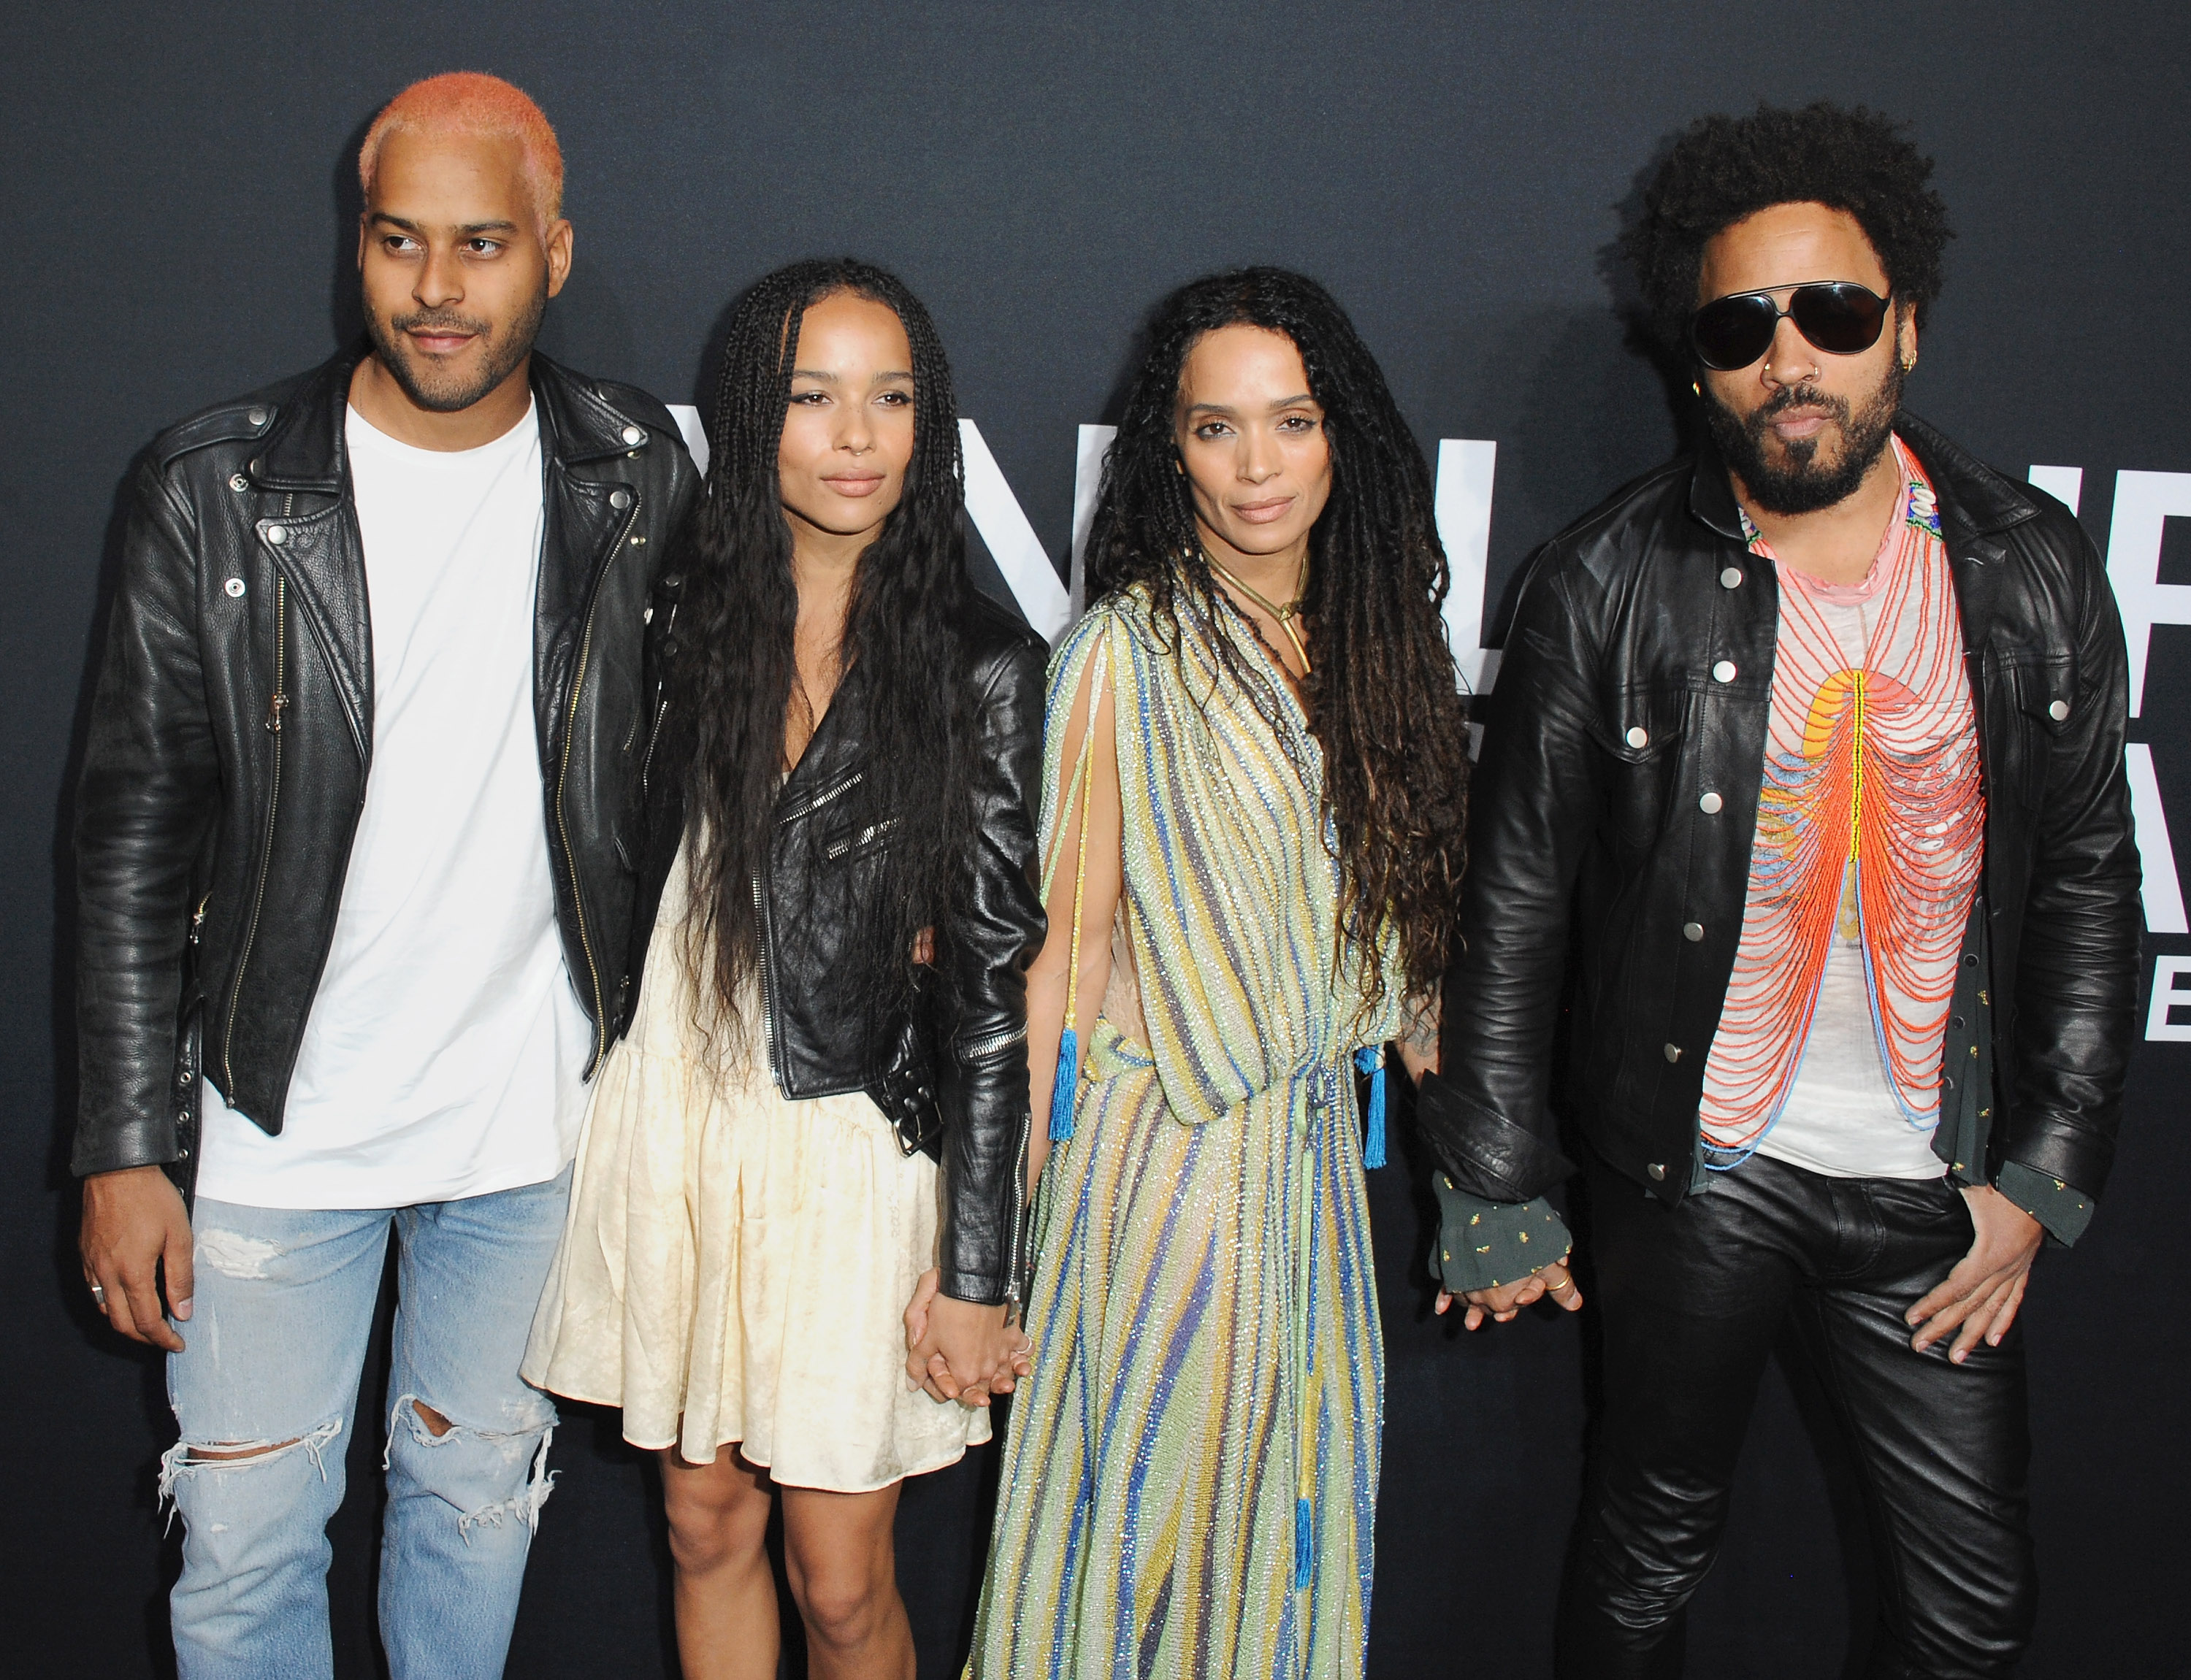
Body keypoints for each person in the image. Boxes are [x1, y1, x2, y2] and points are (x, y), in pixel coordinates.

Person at [1420, 102, 2141, 1678]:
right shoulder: (1601, 581)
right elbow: (1516, 906)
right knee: (1646, 1551)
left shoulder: (2032, 568)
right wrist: (1495, 1183)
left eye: (1834, 313)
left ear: (1909, 332)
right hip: (1695, 1173)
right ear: (1696, 361)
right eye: (1742, 326)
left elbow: (2091, 883)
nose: (1788, 358)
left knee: (1974, 1610)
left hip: (1936, 1190)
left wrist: (2044, 1176)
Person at [69, 73, 700, 1680]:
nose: (435, 288)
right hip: (279, 1119)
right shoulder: (212, 487)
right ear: (358, 244)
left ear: (555, 253)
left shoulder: (633, 477)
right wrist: (127, 1143)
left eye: (481, 244)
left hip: (526, 1125)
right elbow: (132, 838)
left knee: (472, 1512)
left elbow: (689, 785)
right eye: (399, 239)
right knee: (245, 1552)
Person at [522, 257, 1044, 1680]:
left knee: (839, 1571)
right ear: (755, 416)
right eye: (815, 398)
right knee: (701, 1519)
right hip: (673, 1121)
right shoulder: (670, 621)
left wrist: (981, 1262)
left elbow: (997, 979)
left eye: (892, 400)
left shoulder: (981, 661)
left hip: (849, 1139)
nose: (858, 436)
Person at [959, 267, 1470, 1679]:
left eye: (1291, 422)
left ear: (1340, 436)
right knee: (1128, 1553)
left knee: (1286, 1555)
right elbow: (1053, 960)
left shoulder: (1381, 654)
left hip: (1308, 1185)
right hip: (1152, 1175)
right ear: (1165, 450)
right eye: (1215, 428)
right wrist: (988, 1246)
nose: (1257, 466)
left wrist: (1498, 1167)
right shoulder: (1124, 653)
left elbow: (1410, 971)